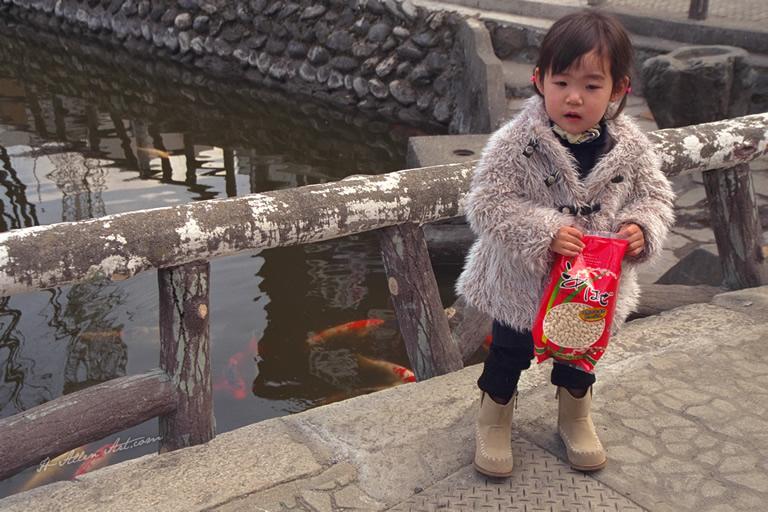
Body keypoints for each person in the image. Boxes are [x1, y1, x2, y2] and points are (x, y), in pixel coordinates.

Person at [455, 11, 675, 477]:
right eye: (561, 82)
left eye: (592, 86)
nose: (574, 97)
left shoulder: (630, 146)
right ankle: (494, 416)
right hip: (522, 280)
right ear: (539, 80)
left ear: (619, 89)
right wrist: (544, 230)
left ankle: (575, 414)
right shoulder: (518, 141)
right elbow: (486, 202)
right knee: (509, 349)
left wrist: (642, 227)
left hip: (593, 284)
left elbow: (654, 196)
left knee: (581, 352)